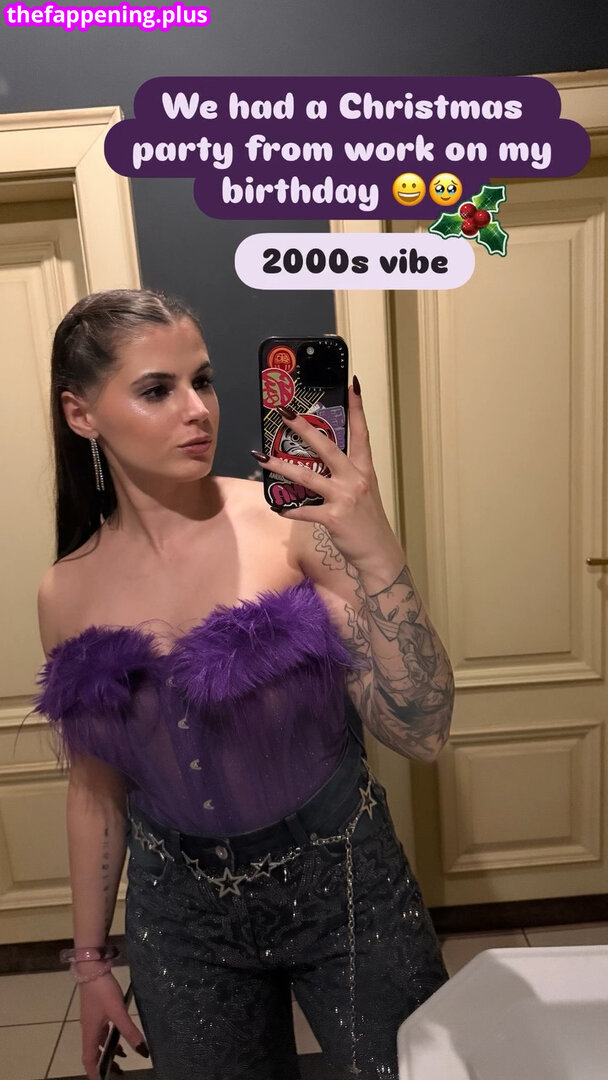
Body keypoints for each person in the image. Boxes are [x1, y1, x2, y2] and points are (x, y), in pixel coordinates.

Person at [31, 288, 454, 1080]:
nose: (198, 409)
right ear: (81, 414)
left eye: (203, 381)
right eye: (157, 390)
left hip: (344, 882)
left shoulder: (290, 525)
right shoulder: (65, 591)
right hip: (180, 915)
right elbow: (94, 790)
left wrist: (375, 545)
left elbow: (420, 727)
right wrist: (90, 962)